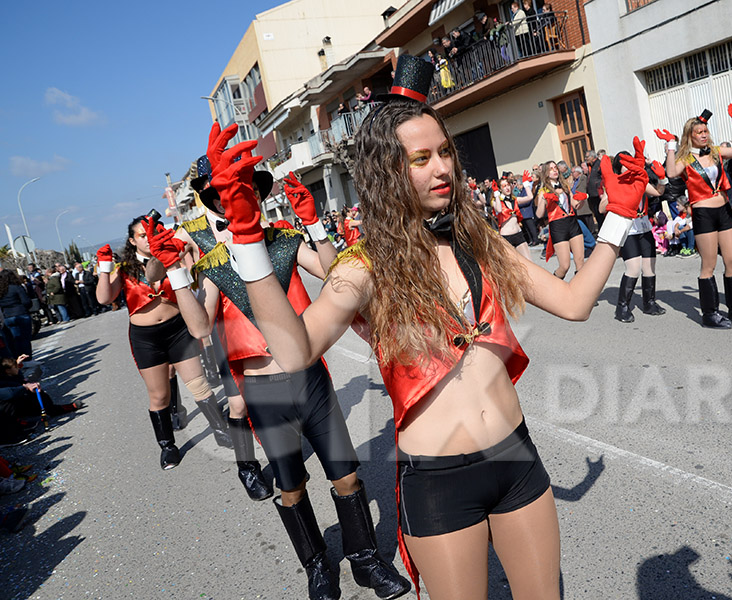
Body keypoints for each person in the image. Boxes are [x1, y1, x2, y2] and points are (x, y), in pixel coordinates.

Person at [217, 55, 647, 600]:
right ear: (388, 172)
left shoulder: (479, 240)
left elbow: (574, 301)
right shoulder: (363, 265)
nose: (441, 168)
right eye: (421, 158)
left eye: (445, 152)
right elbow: (296, 349)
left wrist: (618, 217)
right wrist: (250, 241)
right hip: (439, 479)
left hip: (517, 460)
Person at [166, 130, 410, 600]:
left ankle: (365, 561)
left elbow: (337, 276)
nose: (242, 198)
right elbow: (200, 327)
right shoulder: (216, 260)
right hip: (263, 388)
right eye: (226, 193)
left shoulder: (283, 241)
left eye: (250, 190)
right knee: (291, 487)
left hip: (310, 378)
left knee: (346, 475)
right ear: (213, 201)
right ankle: (317, 567)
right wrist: (177, 273)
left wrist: (316, 226)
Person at [95, 217, 233, 470]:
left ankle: (220, 430)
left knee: (199, 385)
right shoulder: (125, 267)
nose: (148, 238)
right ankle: (168, 446)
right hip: (146, 337)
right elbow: (105, 298)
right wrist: (105, 267)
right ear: (132, 240)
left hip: (178, 329)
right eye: (142, 235)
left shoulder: (172, 255)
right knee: (159, 396)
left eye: (152, 233)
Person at [655, 105, 732, 329]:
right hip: (703, 213)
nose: (704, 135)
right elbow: (671, 173)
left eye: (705, 131)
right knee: (708, 264)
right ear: (690, 136)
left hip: (724, 209)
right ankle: (709, 314)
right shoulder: (686, 159)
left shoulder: (716, 151)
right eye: (699, 132)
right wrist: (671, 146)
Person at [613, 155, 666, 322]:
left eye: (630, 162)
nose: (628, 166)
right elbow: (602, 206)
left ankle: (649, 302)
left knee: (649, 267)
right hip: (628, 230)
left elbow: (658, 192)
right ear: (618, 167)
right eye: (624, 164)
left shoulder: (640, 181)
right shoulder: (616, 182)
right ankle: (622, 307)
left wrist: (662, 179)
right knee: (633, 269)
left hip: (644, 227)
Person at [536, 160, 585, 278]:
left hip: (572, 223)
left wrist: (582, 199)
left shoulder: (565, 186)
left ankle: (579, 292)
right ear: (546, 173)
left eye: (555, 168)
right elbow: (539, 214)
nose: (554, 170)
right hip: (558, 226)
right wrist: (544, 199)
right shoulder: (543, 191)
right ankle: (555, 286)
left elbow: (575, 205)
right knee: (564, 266)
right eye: (551, 169)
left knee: (580, 263)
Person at [492, 177, 533, 261]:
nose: (507, 188)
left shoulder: (515, 199)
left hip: (518, 234)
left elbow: (530, 197)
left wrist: (525, 184)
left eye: (508, 185)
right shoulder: (495, 201)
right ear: (500, 189)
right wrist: (496, 193)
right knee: (514, 265)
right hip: (506, 237)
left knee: (529, 261)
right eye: (504, 186)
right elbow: (499, 210)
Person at [0, 271, 32, 358]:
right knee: (25, 338)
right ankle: (27, 358)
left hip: (7, 316)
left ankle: (18, 358)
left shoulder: (1, 290)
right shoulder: (17, 287)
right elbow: (26, 301)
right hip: (21, 313)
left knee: (14, 339)